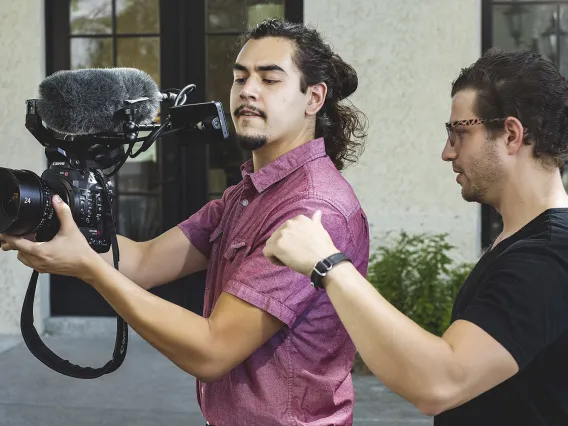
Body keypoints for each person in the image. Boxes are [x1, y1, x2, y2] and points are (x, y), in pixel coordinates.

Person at [0, 19, 370, 426]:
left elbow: (212, 350)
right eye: (240, 77)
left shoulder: (312, 209)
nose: (247, 89)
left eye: (270, 79)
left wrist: (88, 268)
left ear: (313, 97)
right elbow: (143, 261)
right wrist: (46, 225)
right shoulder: (248, 195)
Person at [263, 47, 568, 426]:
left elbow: (440, 381)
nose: (446, 152)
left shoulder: (547, 256)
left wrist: (328, 264)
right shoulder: (521, 243)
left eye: (459, 133)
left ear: (510, 134)